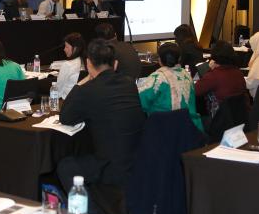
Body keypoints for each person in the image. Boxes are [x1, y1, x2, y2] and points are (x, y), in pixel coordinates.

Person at [57, 39, 145, 193]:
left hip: (111, 166)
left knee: (65, 166)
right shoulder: (129, 84)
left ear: (88, 64)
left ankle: (90, 207)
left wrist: (84, 80)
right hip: (137, 159)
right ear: (115, 64)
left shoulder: (89, 90)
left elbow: (65, 117)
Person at [138, 42, 203, 133]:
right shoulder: (186, 75)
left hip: (165, 132)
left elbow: (140, 103)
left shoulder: (157, 78)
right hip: (193, 131)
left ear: (159, 59)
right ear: (179, 58)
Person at [195, 41, 248, 114]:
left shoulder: (213, 76)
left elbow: (195, 91)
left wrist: (208, 69)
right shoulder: (238, 73)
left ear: (214, 57)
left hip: (220, 117)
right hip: (241, 116)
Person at [54, 33, 85, 100]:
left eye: (67, 47)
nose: (64, 49)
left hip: (66, 100)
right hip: (80, 99)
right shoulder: (84, 62)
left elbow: (58, 89)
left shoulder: (67, 65)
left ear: (75, 48)